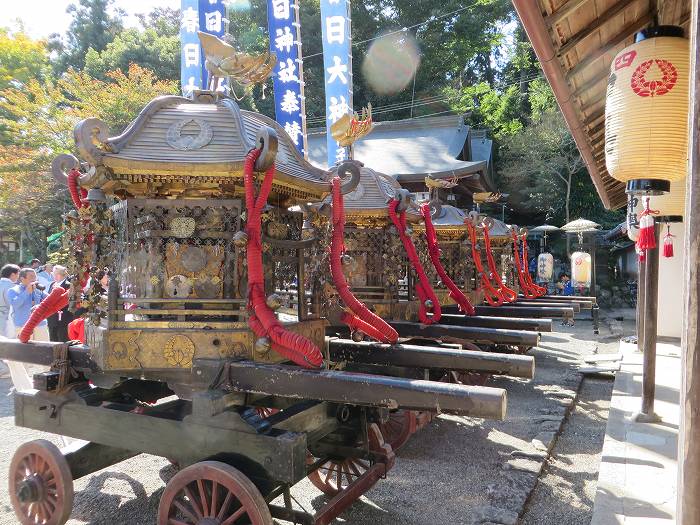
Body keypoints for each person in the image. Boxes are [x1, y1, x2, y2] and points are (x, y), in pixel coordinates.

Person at [7, 268, 49, 341]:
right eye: (31, 276)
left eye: (35, 276)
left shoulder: (38, 289)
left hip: (40, 325)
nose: (34, 279)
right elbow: (15, 304)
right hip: (23, 326)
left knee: (44, 350)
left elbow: (50, 299)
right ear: (22, 279)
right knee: (24, 351)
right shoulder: (13, 290)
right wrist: (27, 292)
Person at [47, 265, 73, 342]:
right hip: (52, 318)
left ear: (57, 274)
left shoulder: (69, 285)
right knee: (52, 339)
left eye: (53, 273)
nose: (52, 275)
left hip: (63, 318)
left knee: (62, 340)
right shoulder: (53, 284)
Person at [0, 264, 20, 338]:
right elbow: (13, 304)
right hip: (7, 319)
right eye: (18, 274)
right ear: (12, 274)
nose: (18, 277)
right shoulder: (13, 287)